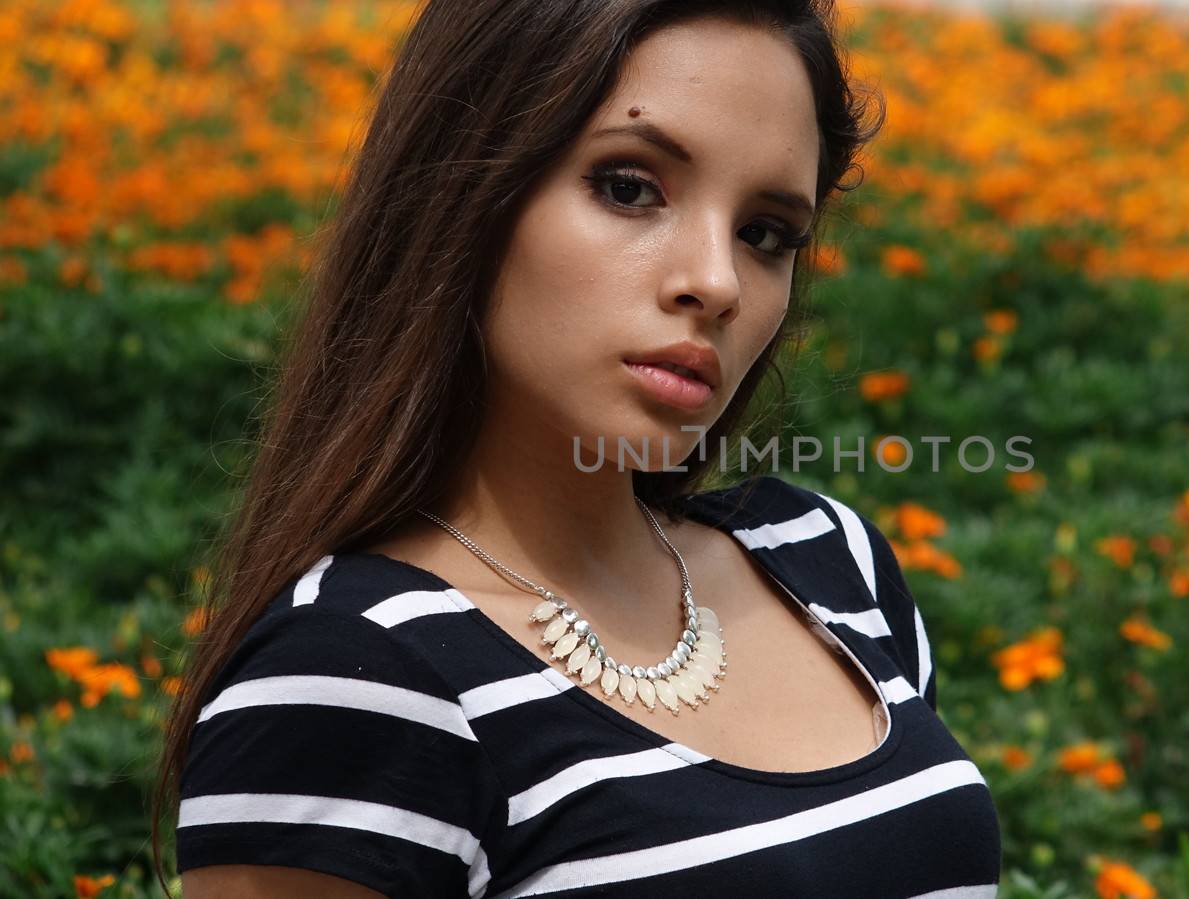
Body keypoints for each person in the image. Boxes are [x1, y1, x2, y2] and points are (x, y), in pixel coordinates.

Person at [150, 1, 1003, 897]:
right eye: (630, 187)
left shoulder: (833, 565)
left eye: (765, 234)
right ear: (461, 191)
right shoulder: (349, 678)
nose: (716, 282)